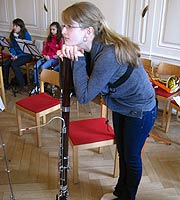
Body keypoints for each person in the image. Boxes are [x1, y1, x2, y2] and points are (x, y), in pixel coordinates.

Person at [57, 2, 157, 200]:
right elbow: (67, 86)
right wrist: (67, 58)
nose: (63, 30)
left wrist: (75, 58)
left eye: (69, 26)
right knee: (122, 151)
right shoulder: (88, 47)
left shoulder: (108, 54)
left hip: (140, 109)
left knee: (131, 157)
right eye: (64, 25)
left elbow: (84, 97)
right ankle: (120, 193)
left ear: (88, 31)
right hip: (120, 104)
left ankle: (127, 197)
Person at [30, 22, 63, 95]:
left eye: (53, 29)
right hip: (46, 57)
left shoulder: (60, 40)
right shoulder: (49, 38)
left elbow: (60, 53)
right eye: (51, 29)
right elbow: (45, 49)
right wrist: (44, 55)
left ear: (58, 30)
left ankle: (42, 85)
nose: (51, 31)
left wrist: (50, 57)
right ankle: (37, 85)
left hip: (55, 59)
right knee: (35, 66)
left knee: (43, 67)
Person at [2, 18, 32, 92]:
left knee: (14, 65)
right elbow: (11, 46)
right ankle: (6, 85)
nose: (14, 27)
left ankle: (23, 85)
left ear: (21, 27)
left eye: (16, 26)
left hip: (26, 55)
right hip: (16, 55)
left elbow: (27, 50)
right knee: (5, 64)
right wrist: (13, 54)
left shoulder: (26, 34)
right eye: (14, 26)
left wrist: (17, 56)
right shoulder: (12, 34)